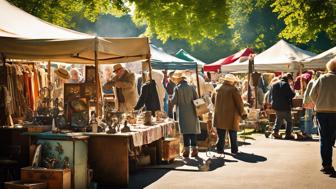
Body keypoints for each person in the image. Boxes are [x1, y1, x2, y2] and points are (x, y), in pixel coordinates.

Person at [309, 58, 336, 176]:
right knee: (331, 138)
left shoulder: (322, 78)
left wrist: (318, 102)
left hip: (322, 111)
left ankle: (326, 165)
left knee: (324, 138)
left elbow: (311, 94)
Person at [212, 74, 246, 154]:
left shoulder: (217, 88)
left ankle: (220, 149)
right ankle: (234, 150)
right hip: (231, 116)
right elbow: (239, 103)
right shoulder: (233, 89)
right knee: (233, 133)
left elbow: (213, 100)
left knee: (221, 135)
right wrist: (242, 113)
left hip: (219, 115)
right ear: (232, 82)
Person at [171, 71, 200, 158]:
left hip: (183, 113)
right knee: (192, 131)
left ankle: (186, 151)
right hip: (192, 112)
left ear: (178, 80)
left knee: (185, 132)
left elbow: (174, 101)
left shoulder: (177, 88)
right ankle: (194, 150)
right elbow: (197, 99)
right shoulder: (191, 87)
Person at [269, 73, 296, 139]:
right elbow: (292, 95)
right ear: (288, 79)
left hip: (276, 106)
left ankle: (275, 132)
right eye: (290, 80)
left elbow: (270, 96)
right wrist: (292, 89)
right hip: (285, 106)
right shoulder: (286, 84)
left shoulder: (274, 84)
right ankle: (288, 134)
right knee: (289, 121)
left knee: (279, 119)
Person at [301, 71, 320, 139]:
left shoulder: (312, 81)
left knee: (308, 118)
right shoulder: (313, 82)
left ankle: (308, 132)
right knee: (309, 118)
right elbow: (312, 94)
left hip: (309, 102)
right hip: (310, 102)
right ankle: (308, 132)